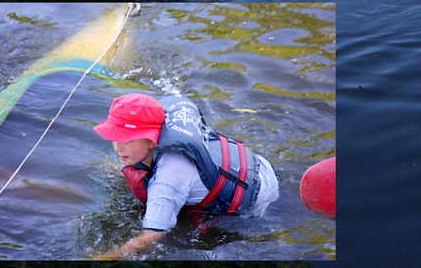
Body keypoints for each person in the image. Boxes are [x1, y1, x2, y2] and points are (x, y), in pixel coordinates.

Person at [92, 94, 280, 259]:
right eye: (114, 136)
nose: (118, 147)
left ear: (151, 141)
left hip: (257, 196)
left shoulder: (169, 178)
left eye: (128, 139)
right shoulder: (163, 122)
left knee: (195, 237)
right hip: (254, 164)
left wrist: (106, 257)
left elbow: (151, 237)